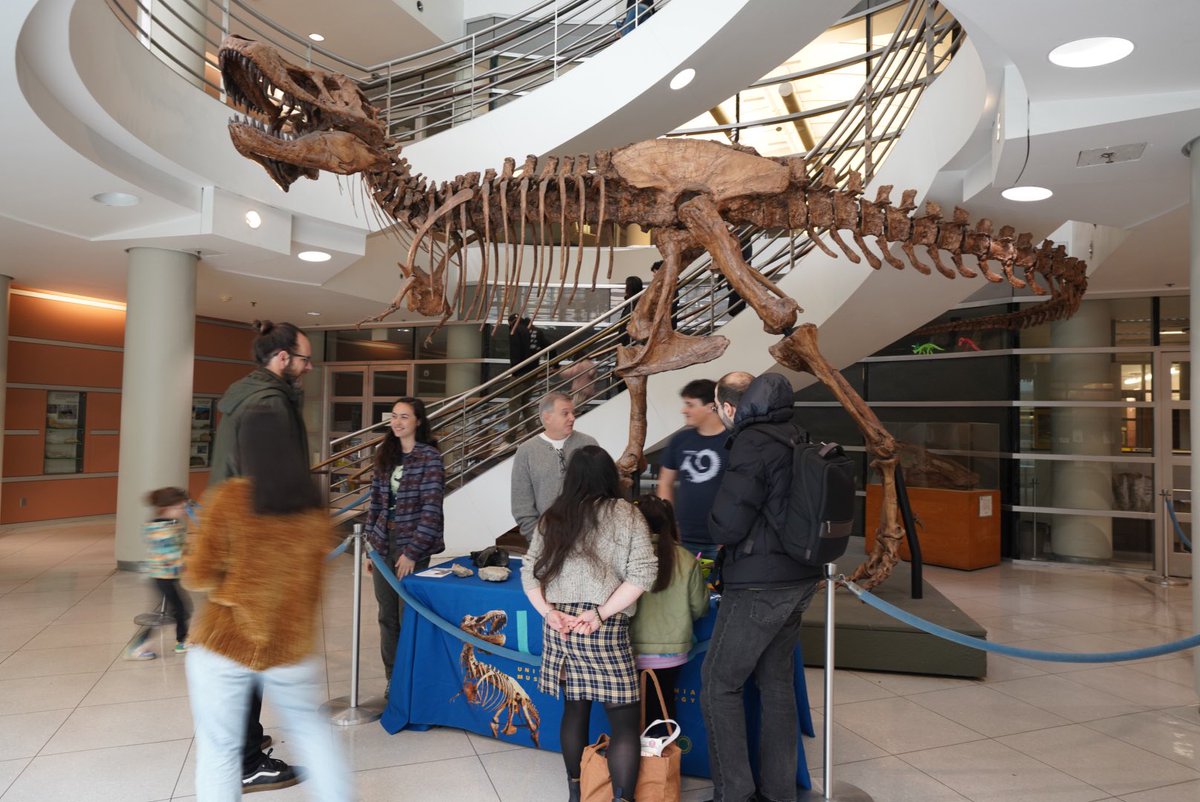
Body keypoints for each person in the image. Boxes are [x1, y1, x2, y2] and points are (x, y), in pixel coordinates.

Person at [184, 407, 352, 802]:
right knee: (313, 737)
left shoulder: (229, 498)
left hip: (226, 641)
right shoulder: (314, 512)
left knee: (219, 750)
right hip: (289, 647)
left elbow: (198, 575)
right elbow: (314, 588)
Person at [701, 372, 822, 802]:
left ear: (732, 408)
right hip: (800, 577)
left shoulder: (752, 443)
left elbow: (728, 523)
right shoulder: (796, 434)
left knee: (719, 682)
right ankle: (778, 792)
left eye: (717, 408)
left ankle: (733, 792)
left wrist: (712, 525)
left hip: (759, 585)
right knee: (776, 684)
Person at [207, 319, 313, 793]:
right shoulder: (269, 403)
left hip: (235, 547)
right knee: (252, 656)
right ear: (283, 358)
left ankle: (244, 745)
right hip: (255, 553)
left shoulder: (246, 396)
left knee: (245, 656)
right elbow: (270, 486)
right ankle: (246, 760)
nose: (309, 368)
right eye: (305, 359)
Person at [521, 445, 657, 802]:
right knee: (625, 721)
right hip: (603, 626)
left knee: (574, 709)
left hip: (562, 627)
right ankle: (621, 799)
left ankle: (575, 792)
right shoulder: (627, 514)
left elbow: (529, 572)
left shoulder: (553, 516)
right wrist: (600, 614)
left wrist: (548, 612)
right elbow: (644, 575)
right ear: (609, 477)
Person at [364, 397, 446, 688]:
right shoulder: (384, 453)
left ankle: (412, 680)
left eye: (405, 417)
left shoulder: (429, 457)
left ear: (418, 421)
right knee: (386, 616)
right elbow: (375, 505)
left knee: (407, 614)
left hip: (412, 544)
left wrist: (411, 553)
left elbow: (431, 510)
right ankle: (393, 679)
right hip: (383, 541)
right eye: (394, 416)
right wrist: (370, 548)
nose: (397, 422)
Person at [628, 494, 707, 737]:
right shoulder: (685, 558)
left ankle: (631, 767)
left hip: (629, 650)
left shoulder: (626, 556)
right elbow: (699, 609)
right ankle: (660, 767)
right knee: (663, 708)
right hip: (671, 654)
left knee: (630, 712)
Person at [510, 392, 598, 542]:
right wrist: (538, 538)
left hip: (587, 541)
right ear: (547, 417)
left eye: (573, 412)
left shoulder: (589, 444)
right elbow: (521, 503)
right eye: (565, 413)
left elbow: (600, 491)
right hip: (544, 542)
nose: (572, 417)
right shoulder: (526, 451)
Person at [656, 379, 727, 560]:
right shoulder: (680, 441)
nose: (683, 410)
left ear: (711, 407)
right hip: (683, 538)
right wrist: (670, 526)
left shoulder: (734, 440)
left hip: (723, 540)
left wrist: (732, 532)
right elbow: (665, 483)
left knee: (717, 588)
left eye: (690, 405)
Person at [144, 487, 192, 654]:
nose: (183, 511)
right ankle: (181, 641)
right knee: (178, 610)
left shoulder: (171, 524)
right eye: (180, 508)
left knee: (171, 611)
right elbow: (172, 553)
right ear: (167, 507)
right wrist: (187, 558)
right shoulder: (160, 529)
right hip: (162, 576)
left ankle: (180, 640)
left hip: (168, 575)